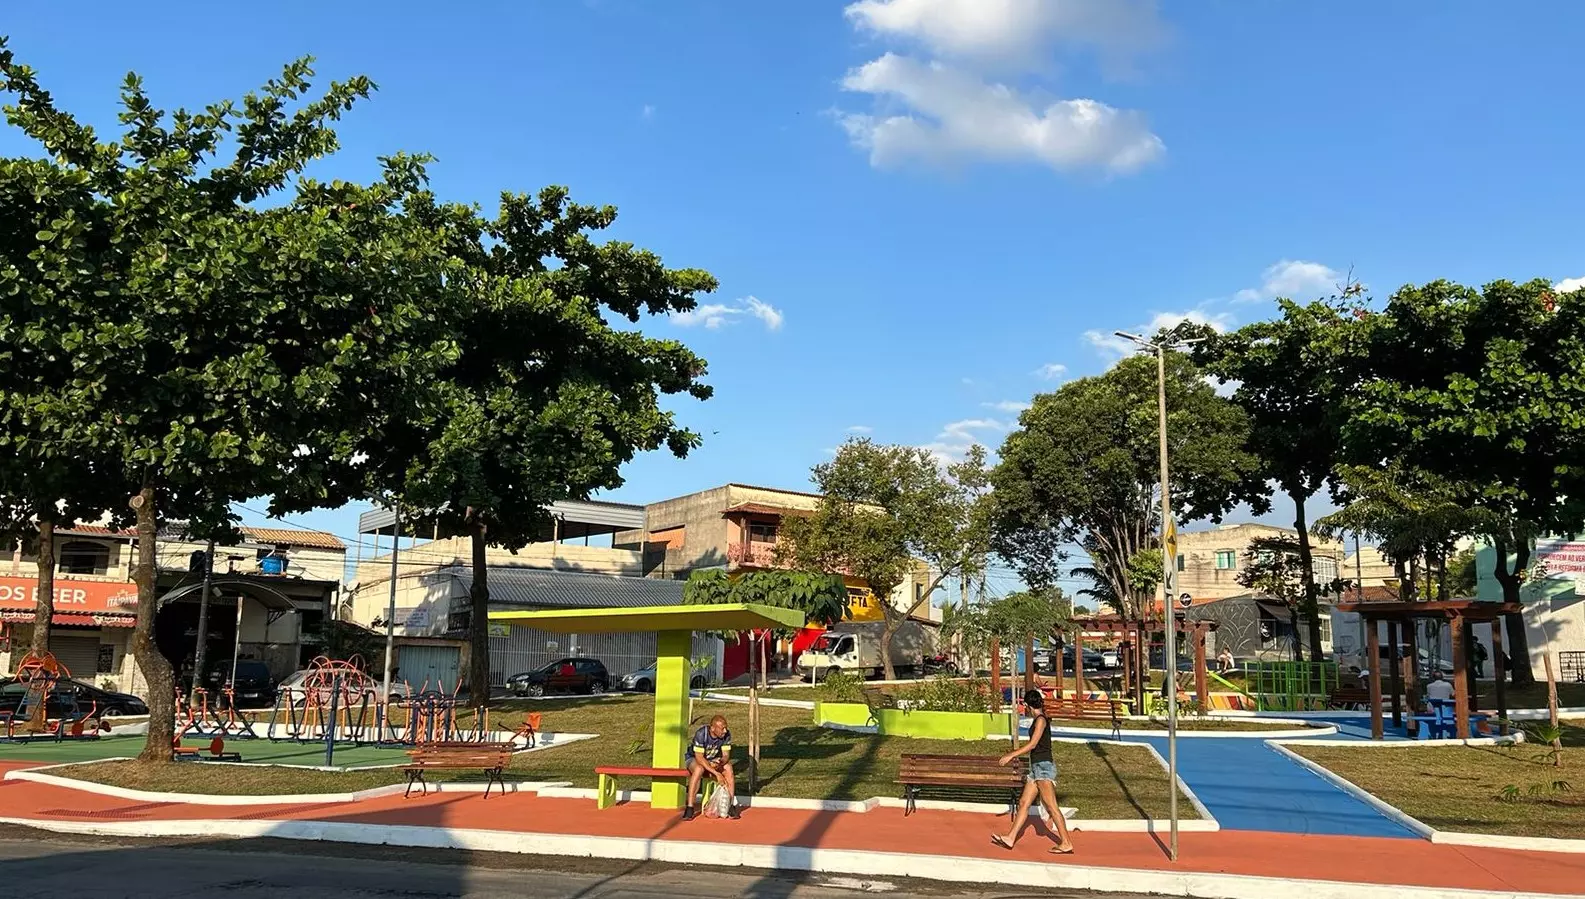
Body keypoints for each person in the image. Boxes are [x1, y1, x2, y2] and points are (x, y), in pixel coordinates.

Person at [992, 689, 1075, 855]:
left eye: (1024, 705)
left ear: (1027, 705)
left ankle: (1066, 842)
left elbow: (1033, 744)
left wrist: (1011, 755)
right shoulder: (1038, 719)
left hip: (1043, 768)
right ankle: (1010, 837)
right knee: (1024, 803)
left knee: (1051, 807)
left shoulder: (1041, 720)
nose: (1024, 708)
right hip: (1036, 768)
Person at [682, 714, 739, 821]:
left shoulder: (726, 735)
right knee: (699, 769)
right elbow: (699, 758)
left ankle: (730, 806)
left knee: (729, 768)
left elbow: (726, 755)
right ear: (713, 728)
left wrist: (720, 763)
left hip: (713, 760)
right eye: (722, 728)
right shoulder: (701, 734)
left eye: (726, 728)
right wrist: (716, 773)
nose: (725, 731)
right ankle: (689, 807)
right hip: (694, 759)